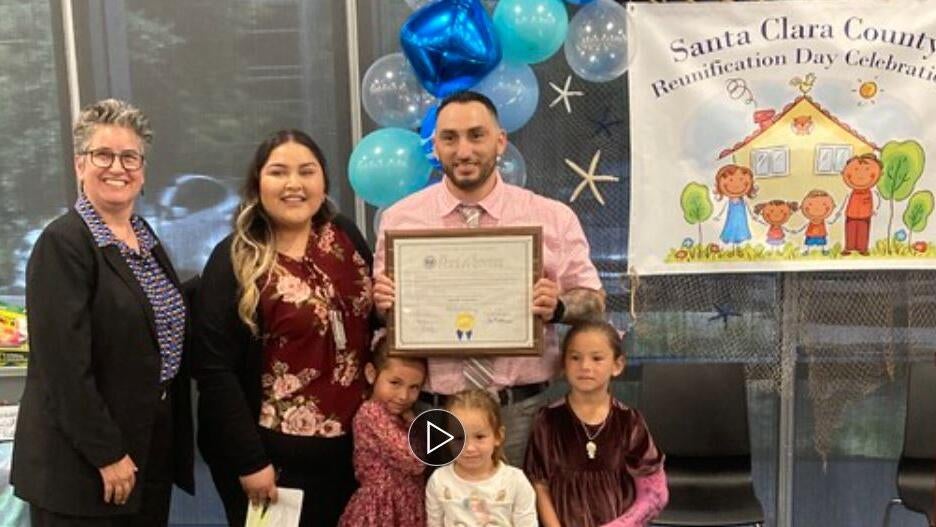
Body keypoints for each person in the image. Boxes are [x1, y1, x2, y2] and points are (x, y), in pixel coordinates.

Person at [373, 90, 604, 465]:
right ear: (436, 146)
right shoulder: (400, 220)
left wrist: (558, 306)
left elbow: (594, 302)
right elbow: (385, 319)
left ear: (500, 141)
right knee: (438, 501)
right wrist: (383, 304)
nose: (463, 151)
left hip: (522, 411)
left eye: (476, 135)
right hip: (434, 414)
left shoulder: (552, 217)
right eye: (450, 138)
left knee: (523, 502)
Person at [11, 98, 194, 525]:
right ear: (80, 164)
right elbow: (63, 368)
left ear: (142, 170)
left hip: (147, 446)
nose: (118, 167)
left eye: (130, 157)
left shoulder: (143, 237)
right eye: (103, 155)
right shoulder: (63, 244)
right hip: (85, 468)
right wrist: (106, 453)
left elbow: (153, 321)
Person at [192, 129, 374, 526]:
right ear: (257, 184)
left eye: (306, 171)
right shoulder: (235, 257)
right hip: (274, 462)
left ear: (323, 181)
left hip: (355, 455)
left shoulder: (344, 236)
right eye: (278, 172)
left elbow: (373, 321)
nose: (294, 184)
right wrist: (250, 461)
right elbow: (214, 370)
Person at [524, 321, 667, 527]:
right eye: (575, 358)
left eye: (597, 358)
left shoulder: (629, 421)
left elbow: (654, 494)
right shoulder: (547, 420)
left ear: (617, 365)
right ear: (563, 364)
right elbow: (540, 485)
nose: (585, 367)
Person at [339, 332, 427, 527]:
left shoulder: (400, 417)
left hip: (408, 506)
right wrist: (413, 423)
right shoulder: (371, 413)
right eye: (395, 383)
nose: (403, 396)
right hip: (381, 508)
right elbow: (414, 461)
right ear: (371, 374)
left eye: (414, 387)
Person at [425, 389, 538, 527]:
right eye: (459, 438)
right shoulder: (439, 481)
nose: (469, 448)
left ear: (498, 436)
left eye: (479, 437)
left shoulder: (516, 482)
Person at [840, 153, 882, 255]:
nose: (860, 175)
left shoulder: (872, 192)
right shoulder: (850, 192)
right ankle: (849, 247)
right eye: (856, 170)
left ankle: (862, 248)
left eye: (867, 170)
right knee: (850, 230)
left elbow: (877, 200)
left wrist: (875, 210)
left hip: (865, 215)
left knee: (863, 231)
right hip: (851, 214)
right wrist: (839, 211)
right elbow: (845, 201)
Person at [713, 164, 757, 251]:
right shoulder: (728, 201)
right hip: (731, 219)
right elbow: (724, 208)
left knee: (740, 230)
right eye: (731, 180)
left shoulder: (744, 200)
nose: (736, 185)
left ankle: (738, 247)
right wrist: (719, 216)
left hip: (741, 220)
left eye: (741, 180)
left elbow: (749, 209)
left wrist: (753, 216)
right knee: (731, 229)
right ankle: (731, 247)